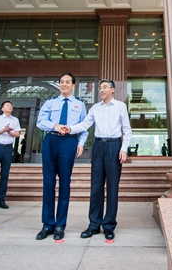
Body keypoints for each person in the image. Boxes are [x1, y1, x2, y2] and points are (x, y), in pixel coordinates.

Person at [66, 79, 132, 241]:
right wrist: (69, 129)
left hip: (114, 146)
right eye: (100, 88)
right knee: (96, 187)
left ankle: (109, 225)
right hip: (98, 147)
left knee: (112, 187)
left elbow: (127, 130)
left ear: (112, 90)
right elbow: (84, 125)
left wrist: (123, 149)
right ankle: (94, 224)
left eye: (105, 87)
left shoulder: (120, 107)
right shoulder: (95, 108)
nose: (101, 90)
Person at [35, 73, 87, 241]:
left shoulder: (79, 104)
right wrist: (54, 125)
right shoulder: (50, 102)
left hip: (69, 143)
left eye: (67, 82)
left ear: (73, 85)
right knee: (48, 182)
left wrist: (81, 143)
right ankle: (47, 224)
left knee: (65, 183)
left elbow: (84, 126)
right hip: (51, 140)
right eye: (61, 82)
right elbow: (40, 121)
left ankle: (60, 225)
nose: (64, 84)